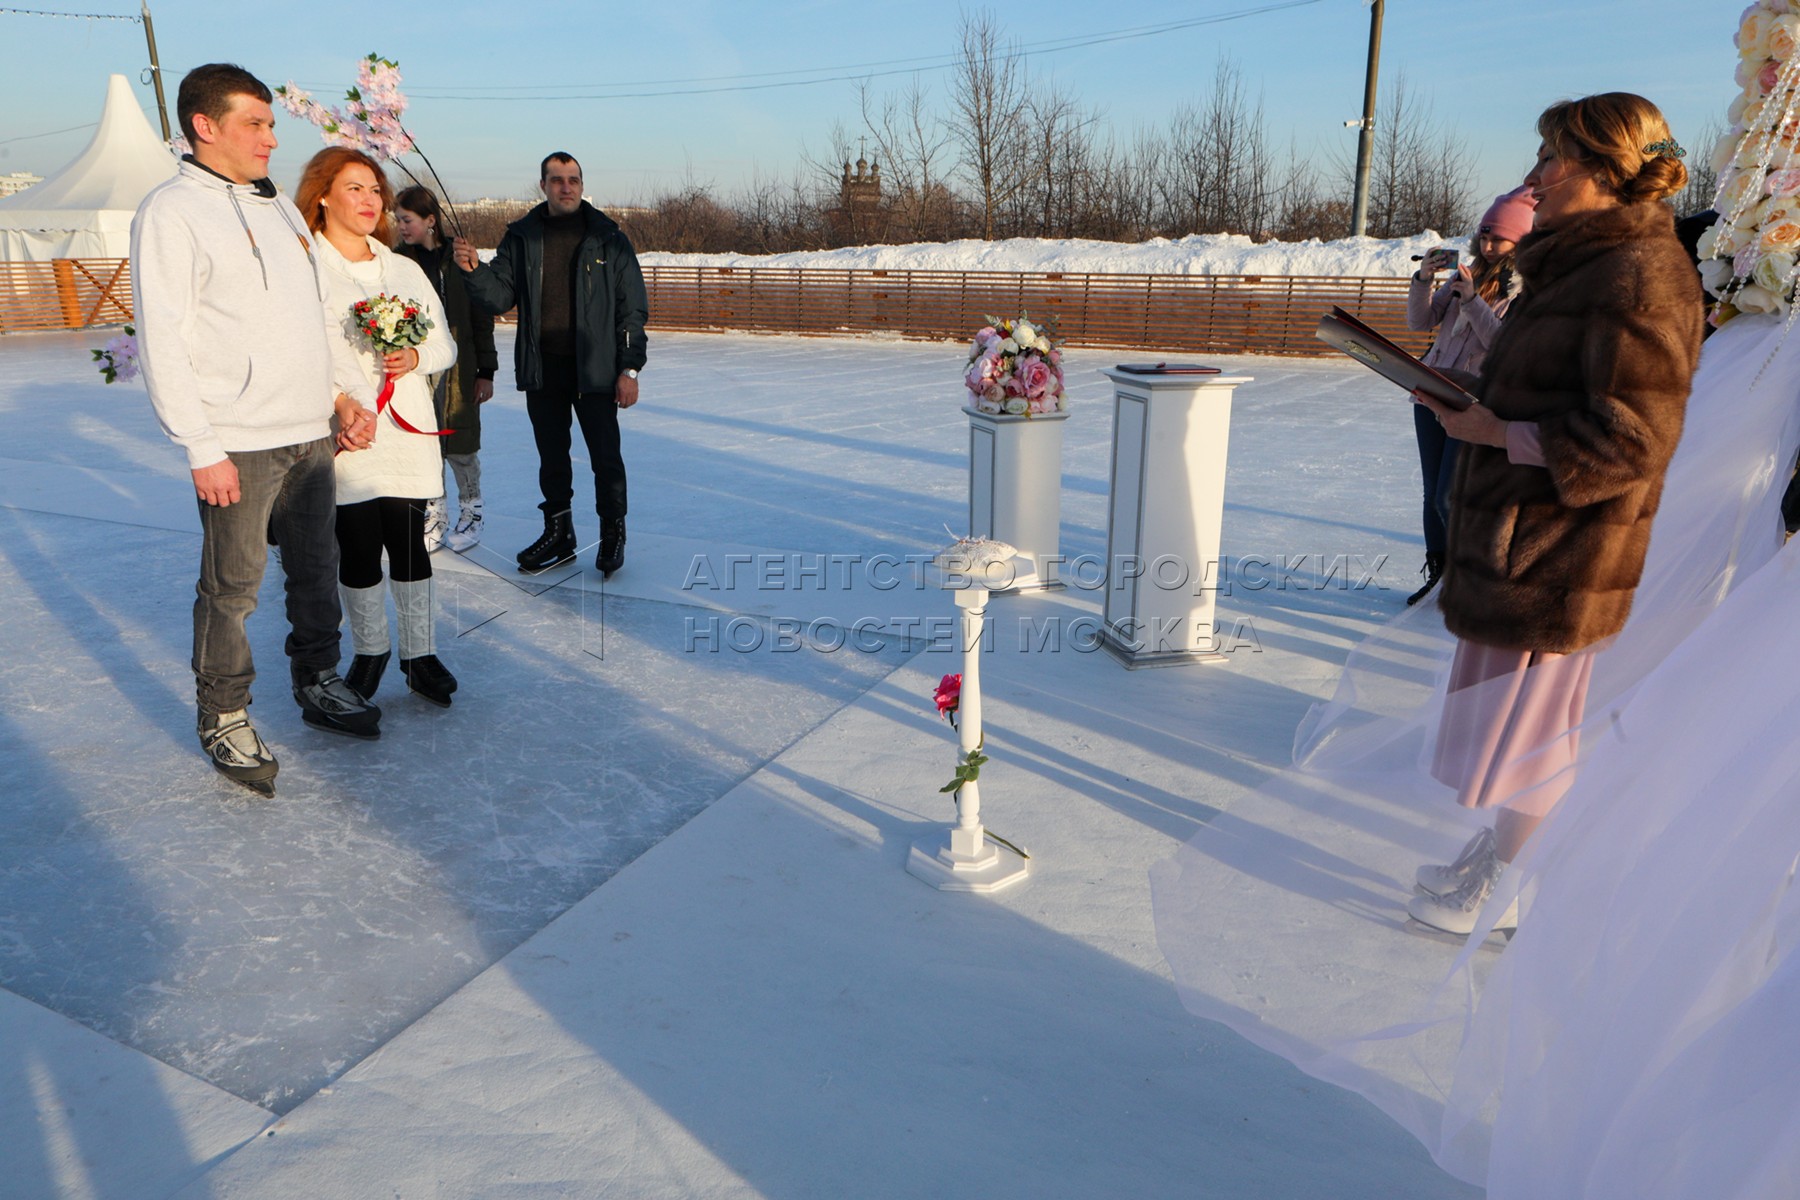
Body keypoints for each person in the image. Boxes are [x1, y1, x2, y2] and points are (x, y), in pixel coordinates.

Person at [1406, 93, 1702, 934]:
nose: (1533, 177)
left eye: (1550, 160)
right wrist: (1469, 394)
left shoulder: (1639, 272)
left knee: (1537, 739)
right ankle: (1503, 855)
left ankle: (1508, 887)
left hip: (1563, 550)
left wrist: (1497, 427)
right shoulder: (1580, 264)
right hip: (1528, 537)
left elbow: (1634, 439)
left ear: (1601, 170)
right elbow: (1557, 385)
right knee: (1521, 736)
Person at [132, 63, 383, 797]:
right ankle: (225, 713)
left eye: (272, 123)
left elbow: (310, 318)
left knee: (315, 572)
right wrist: (201, 446)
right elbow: (164, 339)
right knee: (233, 589)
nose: (272, 138)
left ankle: (318, 679)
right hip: (236, 438)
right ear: (205, 126)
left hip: (308, 433)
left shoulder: (275, 209)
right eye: (255, 123)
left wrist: (340, 397)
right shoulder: (173, 212)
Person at [298, 147, 461, 707]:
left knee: (410, 545)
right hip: (348, 432)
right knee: (359, 547)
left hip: (406, 427)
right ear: (322, 196)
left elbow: (444, 343)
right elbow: (301, 356)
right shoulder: (308, 267)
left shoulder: (404, 268)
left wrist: (415, 359)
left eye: (375, 191)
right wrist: (340, 402)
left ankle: (420, 655)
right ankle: (371, 652)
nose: (370, 201)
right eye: (354, 189)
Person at [451, 151, 648, 577]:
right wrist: (473, 270)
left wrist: (629, 369)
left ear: (581, 184)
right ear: (542, 185)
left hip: (595, 371)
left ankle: (612, 533)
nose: (566, 186)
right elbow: (499, 296)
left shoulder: (609, 238)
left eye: (573, 179)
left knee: (605, 459)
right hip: (544, 369)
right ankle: (560, 534)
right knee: (552, 459)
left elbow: (631, 309)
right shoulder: (523, 237)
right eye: (557, 179)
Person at [1402, 187, 1535, 606]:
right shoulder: (1468, 275)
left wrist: (1474, 300)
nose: (1489, 245)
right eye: (1484, 235)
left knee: (1449, 494)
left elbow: (1502, 346)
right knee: (1430, 493)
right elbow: (1418, 321)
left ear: (1520, 241)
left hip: (1472, 400)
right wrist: (1425, 279)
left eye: (1498, 238)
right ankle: (1439, 572)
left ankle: (1465, 575)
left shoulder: (1522, 289)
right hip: (1432, 390)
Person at [394, 185, 496, 553]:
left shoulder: (459, 259)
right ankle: (433, 511)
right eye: (398, 220)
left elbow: (482, 316)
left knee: (461, 444)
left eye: (407, 220)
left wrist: (487, 370)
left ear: (430, 220)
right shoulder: (397, 262)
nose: (402, 227)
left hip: (461, 367)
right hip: (416, 368)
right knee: (426, 442)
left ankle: (473, 512)